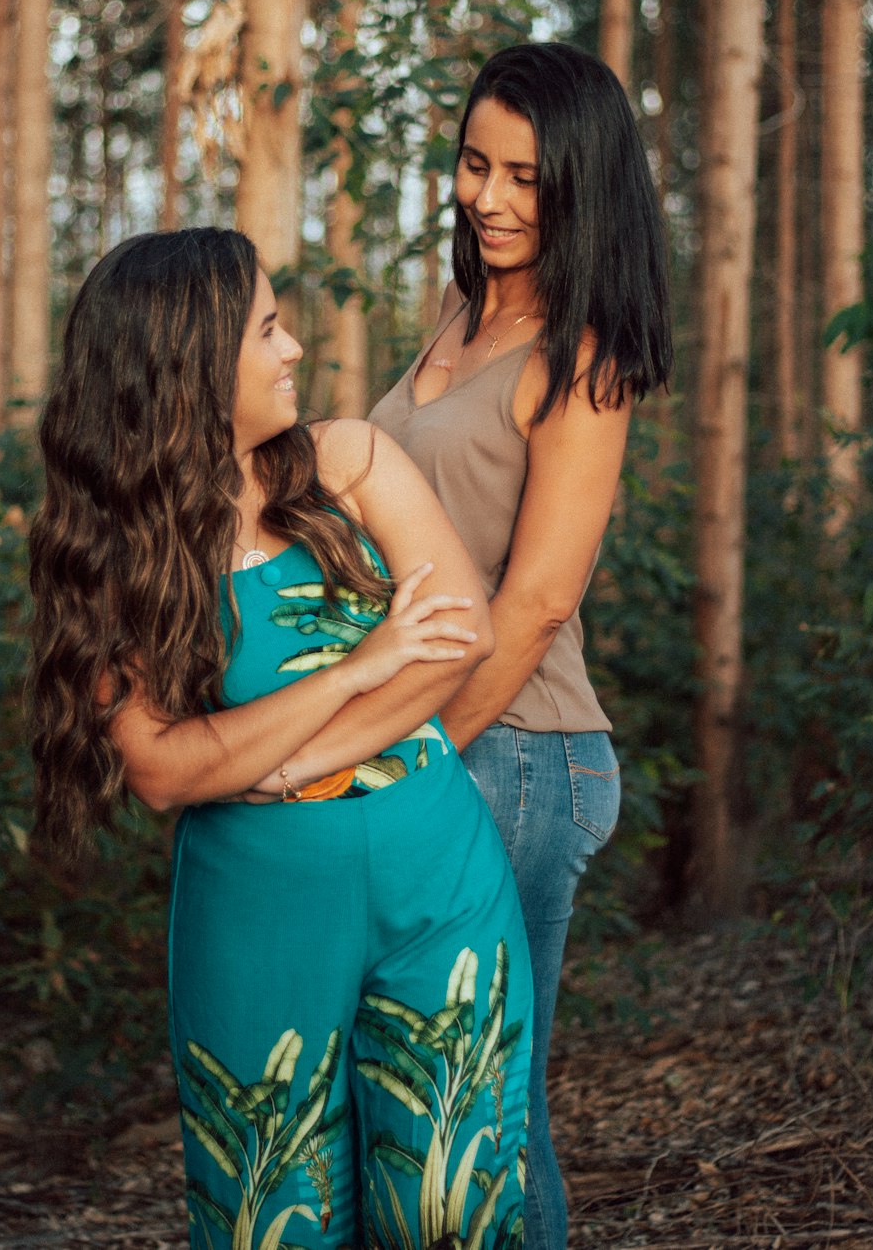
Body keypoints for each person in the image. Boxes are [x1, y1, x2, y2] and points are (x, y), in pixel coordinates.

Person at [27, 227, 535, 1250]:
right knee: (271, 1217)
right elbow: (165, 769)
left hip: (438, 878)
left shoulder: (348, 461)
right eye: (266, 328)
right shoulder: (116, 550)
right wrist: (358, 667)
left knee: (453, 1208)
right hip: (255, 909)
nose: (294, 346)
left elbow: (456, 639)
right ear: (191, 362)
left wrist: (287, 758)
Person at [368, 42, 673, 1250]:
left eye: (527, 179)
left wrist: (424, 751)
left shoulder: (580, 356)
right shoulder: (466, 309)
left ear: (582, 189)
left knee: (486, 1105)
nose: (488, 198)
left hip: (516, 751)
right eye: (474, 164)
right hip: (449, 740)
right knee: (422, 1092)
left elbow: (540, 597)